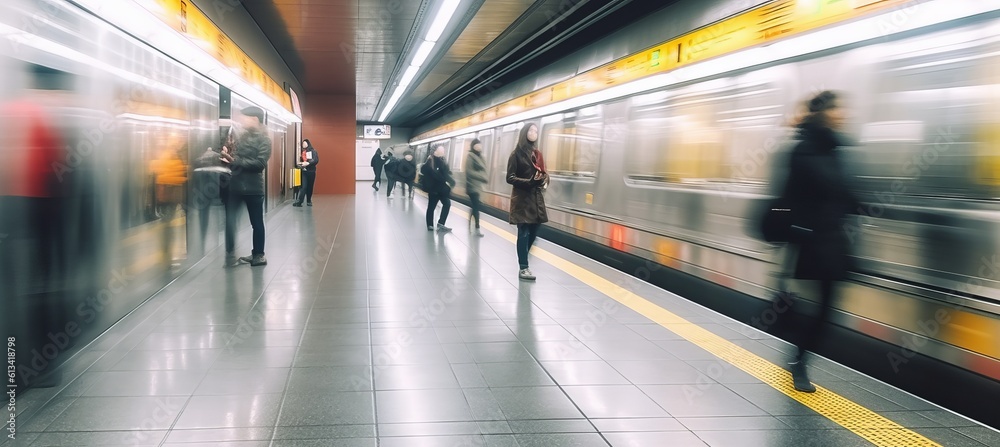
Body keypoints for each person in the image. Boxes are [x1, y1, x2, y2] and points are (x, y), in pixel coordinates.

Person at [781, 90, 859, 392]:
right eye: (837, 108)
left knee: (825, 308)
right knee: (823, 307)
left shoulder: (834, 149)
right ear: (822, 113)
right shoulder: (804, 151)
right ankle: (799, 362)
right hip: (812, 240)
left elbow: (846, 193)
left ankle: (799, 358)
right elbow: (792, 197)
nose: (843, 114)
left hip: (833, 240)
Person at [221, 106, 272, 267]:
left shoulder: (264, 140)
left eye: (245, 118)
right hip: (235, 186)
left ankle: (258, 255)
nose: (242, 121)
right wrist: (225, 154)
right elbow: (235, 156)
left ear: (254, 119)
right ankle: (229, 254)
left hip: (253, 189)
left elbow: (259, 164)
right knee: (229, 221)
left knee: (256, 223)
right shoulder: (240, 137)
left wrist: (234, 161)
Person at [506, 123, 548, 281]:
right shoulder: (516, 154)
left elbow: (543, 171)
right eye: (531, 130)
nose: (534, 133)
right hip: (522, 198)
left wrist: (542, 178)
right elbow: (509, 177)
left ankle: (524, 259)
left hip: (536, 198)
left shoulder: (537, 154)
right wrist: (528, 182)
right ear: (525, 132)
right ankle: (523, 267)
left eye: (536, 130)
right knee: (523, 232)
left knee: (534, 231)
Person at [422, 145, 455, 232]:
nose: (443, 150)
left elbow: (446, 173)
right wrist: (445, 180)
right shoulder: (430, 161)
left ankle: (441, 224)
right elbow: (432, 173)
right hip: (434, 189)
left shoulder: (443, 160)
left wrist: (451, 180)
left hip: (442, 189)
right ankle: (430, 225)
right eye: (441, 149)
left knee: (447, 204)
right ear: (435, 151)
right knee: (431, 207)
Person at [464, 138, 488, 237]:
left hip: (478, 186)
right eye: (476, 145)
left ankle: (471, 215)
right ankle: (477, 228)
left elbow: (484, 170)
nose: (479, 147)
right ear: (473, 146)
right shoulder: (470, 156)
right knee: (477, 207)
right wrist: (482, 176)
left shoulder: (481, 157)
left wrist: (483, 177)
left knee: (476, 206)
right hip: (472, 186)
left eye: (480, 145)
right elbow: (469, 172)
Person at [293, 138, 319, 207]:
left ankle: (308, 200)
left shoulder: (313, 151)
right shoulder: (302, 152)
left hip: (311, 171)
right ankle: (300, 201)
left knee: (310, 186)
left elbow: (315, 160)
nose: (303, 144)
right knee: (303, 187)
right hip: (304, 171)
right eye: (303, 143)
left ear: (308, 143)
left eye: (305, 143)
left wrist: (308, 163)